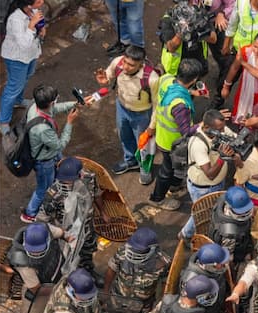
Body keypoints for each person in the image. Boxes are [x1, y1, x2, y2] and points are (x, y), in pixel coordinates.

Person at [91, 45, 159, 181]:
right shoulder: (117, 62)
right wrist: (105, 80)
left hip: (142, 115)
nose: (126, 67)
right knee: (125, 136)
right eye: (125, 62)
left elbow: (158, 105)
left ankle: (145, 167)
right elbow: (108, 75)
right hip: (122, 108)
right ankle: (130, 160)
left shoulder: (152, 79)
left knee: (143, 144)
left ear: (141, 65)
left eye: (131, 65)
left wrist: (152, 126)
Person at [20, 84, 81, 223]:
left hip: (46, 151)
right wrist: (69, 122)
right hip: (43, 160)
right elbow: (59, 145)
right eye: (56, 99)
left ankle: (55, 185)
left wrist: (74, 104)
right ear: (51, 102)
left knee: (57, 170)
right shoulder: (42, 129)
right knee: (43, 188)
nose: (56, 102)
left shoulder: (35, 105)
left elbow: (54, 109)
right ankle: (30, 213)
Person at [147, 58, 202, 211]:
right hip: (172, 143)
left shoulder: (166, 79)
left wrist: (191, 92)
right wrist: (204, 125)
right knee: (167, 170)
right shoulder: (180, 105)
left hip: (162, 135)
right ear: (194, 79)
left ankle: (174, 185)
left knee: (172, 167)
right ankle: (157, 198)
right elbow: (186, 131)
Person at [180, 110, 243, 241]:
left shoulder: (221, 129)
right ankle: (185, 235)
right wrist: (222, 157)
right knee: (201, 213)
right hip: (203, 187)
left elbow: (235, 140)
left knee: (210, 211)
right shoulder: (198, 143)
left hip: (218, 184)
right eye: (218, 130)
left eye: (222, 128)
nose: (222, 132)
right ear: (207, 127)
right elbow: (210, 175)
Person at [0, 0, 45, 136]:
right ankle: (3, 121)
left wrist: (42, 28)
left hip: (31, 54)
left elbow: (40, 24)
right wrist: (31, 24)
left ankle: (18, 100)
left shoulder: (34, 11)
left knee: (26, 77)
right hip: (17, 58)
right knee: (13, 87)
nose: (42, 1)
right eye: (38, 0)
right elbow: (23, 44)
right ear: (28, 3)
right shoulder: (15, 18)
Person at [103, 227, 170, 313]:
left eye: (139, 251)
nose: (134, 252)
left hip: (141, 306)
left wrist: (158, 306)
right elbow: (112, 269)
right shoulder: (123, 251)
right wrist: (106, 290)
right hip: (117, 298)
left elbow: (166, 285)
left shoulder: (163, 263)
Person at [7, 222, 67, 313]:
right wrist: (60, 294)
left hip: (57, 272)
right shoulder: (22, 261)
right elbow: (36, 288)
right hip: (42, 290)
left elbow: (61, 233)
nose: (35, 253)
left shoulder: (47, 230)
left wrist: (69, 238)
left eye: (39, 250)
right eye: (32, 250)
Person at [158, 2, 215, 76]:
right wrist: (182, 30)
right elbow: (171, 47)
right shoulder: (169, 19)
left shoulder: (200, 13)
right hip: (176, 69)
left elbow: (213, 39)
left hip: (198, 63)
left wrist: (198, 29)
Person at [208, 186, 255, 265]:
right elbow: (227, 256)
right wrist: (242, 257)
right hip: (229, 248)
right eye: (241, 212)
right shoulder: (229, 233)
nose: (244, 214)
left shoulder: (223, 199)